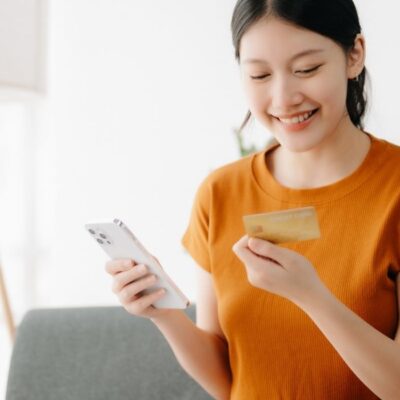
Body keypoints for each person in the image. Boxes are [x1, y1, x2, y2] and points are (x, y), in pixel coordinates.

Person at [105, 1, 400, 399]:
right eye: (259, 74)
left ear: (354, 54)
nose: (283, 98)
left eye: (306, 69)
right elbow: (227, 383)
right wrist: (165, 314)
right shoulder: (220, 194)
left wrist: (311, 296)